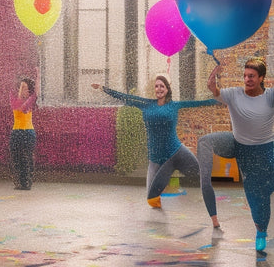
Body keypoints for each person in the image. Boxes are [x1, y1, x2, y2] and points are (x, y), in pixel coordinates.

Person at [92, 75, 218, 209]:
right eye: (157, 86)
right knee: (151, 199)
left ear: (167, 89)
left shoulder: (174, 105)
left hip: (176, 151)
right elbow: (124, 96)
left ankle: (209, 198)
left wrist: (220, 100)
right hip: (155, 157)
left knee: (199, 172)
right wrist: (102, 88)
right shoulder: (146, 104)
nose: (159, 89)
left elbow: (197, 103)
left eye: (162, 86)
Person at [207, 57, 274, 251]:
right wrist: (212, 84)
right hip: (245, 152)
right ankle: (261, 231)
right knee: (255, 195)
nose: (247, 79)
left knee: (265, 188)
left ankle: (264, 205)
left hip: (268, 148)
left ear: (261, 78)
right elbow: (216, 92)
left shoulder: (269, 96)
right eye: (245, 76)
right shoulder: (234, 94)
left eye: (251, 76)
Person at [196, 130, 236, 229]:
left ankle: (215, 220)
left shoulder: (247, 146)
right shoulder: (244, 144)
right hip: (206, 143)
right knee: (205, 180)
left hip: (221, 144)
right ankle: (214, 220)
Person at [10, 69, 40, 190]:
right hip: (16, 132)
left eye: (26, 88)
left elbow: (37, 92)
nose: (23, 90)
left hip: (28, 132)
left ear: (29, 91)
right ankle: (19, 181)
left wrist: (38, 76)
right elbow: (11, 89)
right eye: (21, 87)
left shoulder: (30, 101)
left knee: (27, 157)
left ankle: (27, 182)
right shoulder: (14, 100)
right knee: (16, 157)